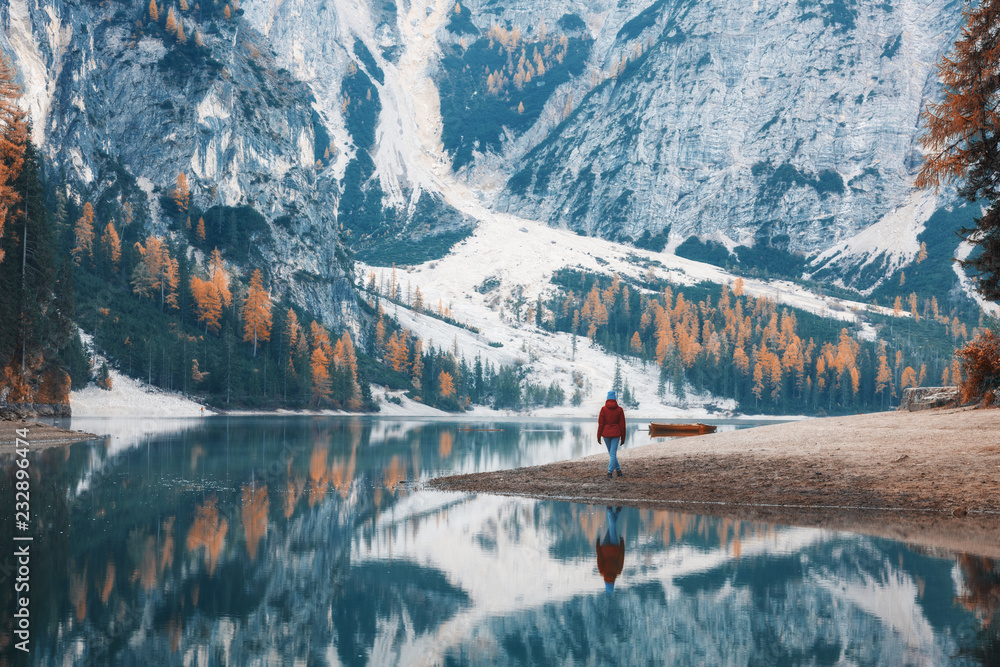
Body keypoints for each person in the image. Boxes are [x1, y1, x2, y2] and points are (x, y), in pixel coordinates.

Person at [597, 390, 626, 478]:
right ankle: (618, 471)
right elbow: (622, 425)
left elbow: (601, 424)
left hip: (606, 434)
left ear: (607, 398)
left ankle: (610, 472)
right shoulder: (619, 410)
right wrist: (623, 437)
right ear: (615, 399)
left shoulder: (603, 409)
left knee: (612, 454)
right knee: (612, 454)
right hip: (616, 434)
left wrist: (598, 436)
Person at [596, 506, 625, 593]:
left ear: (613, 584)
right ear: (605, 583)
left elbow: (621, 556)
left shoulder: (618, 571)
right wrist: (597, 544)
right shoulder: (602, 571)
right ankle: (610, 510)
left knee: (611, 527)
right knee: (611, 528)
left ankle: (615, 510)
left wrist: (622, 543)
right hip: (604, 547)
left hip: (615, 547)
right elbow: (599, 556)